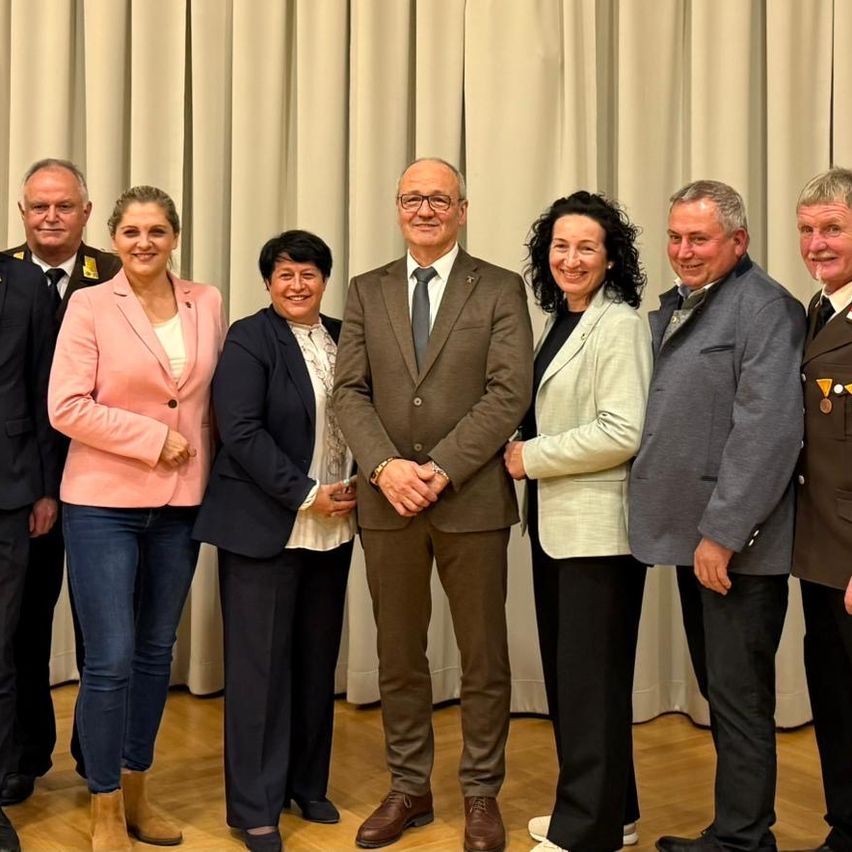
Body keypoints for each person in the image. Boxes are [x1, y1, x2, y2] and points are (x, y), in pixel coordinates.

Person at [333, 157, 533, 852]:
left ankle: (481, 792)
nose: (425, 210)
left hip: (471, 500)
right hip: (387, 503)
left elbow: (509, 393)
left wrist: (440, 469)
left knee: (484, 657)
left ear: (462, 211)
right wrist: (385, 468)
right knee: (398, 655)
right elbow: (348, 391)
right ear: (398, 208)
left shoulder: (500, 288)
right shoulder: (367, 290)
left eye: (439, 199)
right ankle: (408, 787)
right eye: (413, 198)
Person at [628, 180, 805, 852]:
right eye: (675, 237)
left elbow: (768, 433)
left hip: (734, 548)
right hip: (692, 538)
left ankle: (743, 840)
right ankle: (735, 829)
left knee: (740, 696)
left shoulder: (767, 309)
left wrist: (724, 534)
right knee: (720, 689)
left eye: (699, 238)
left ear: (739, 241)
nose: (684, 251)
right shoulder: (681, 303)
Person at [48, 185, 225, 851]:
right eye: (132, 232)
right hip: (101, 504)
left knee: (155, 653)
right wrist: (153, 439)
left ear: (175, 236)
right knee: (112, 657)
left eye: (156, 231)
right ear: (115, 239)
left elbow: (212, 400)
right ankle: (102, 803)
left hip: (181, 505)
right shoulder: (90, 304)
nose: (144, 243)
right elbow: (66, 405)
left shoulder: (206, 300)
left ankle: (136, 789)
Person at [193, 230, 356, 852]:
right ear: (268, 282)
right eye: (285, 274)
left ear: (325, 280)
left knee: (315, 662)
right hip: (265, 525)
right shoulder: (249, 337)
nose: (297, 284)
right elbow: (239, 430)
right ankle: (255, 808)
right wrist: (306, 492)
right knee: (259, 671)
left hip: (334, 527)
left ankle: (306, 785)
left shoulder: (343, 336)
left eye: (309, 274)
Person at [503, 191, 652, 852]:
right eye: (560, 246)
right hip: (555, 528)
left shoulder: (618, 324)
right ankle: (614, 813)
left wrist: (529, 458)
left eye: (586, 247)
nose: (571, 258)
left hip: (599, 534)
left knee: (590, 684)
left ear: (611, 257)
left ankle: (584, 830)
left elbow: (624, 430)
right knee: (577, 680)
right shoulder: (558, 321)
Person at [1, 158, 121, 805]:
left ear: (86, 212)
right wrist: (39, 485)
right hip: (29, 486)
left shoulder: (119, 273)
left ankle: (96, 755)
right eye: (39, 206)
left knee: (104, 626)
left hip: (108, 477)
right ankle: (25, 753)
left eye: (64, 206)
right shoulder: (4, 273)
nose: (51, 217)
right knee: (25, 622)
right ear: (23, 213)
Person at [793, 166, 852, 852]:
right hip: (819, 550)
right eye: (808, 230)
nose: (817, 244)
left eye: (832, 228)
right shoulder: (818, 309)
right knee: (834, 700)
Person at [0, 255, 63, 852]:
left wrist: (45, 488)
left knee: (4, 645)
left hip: (11, 490)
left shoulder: (23, 282)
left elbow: (43, 387)